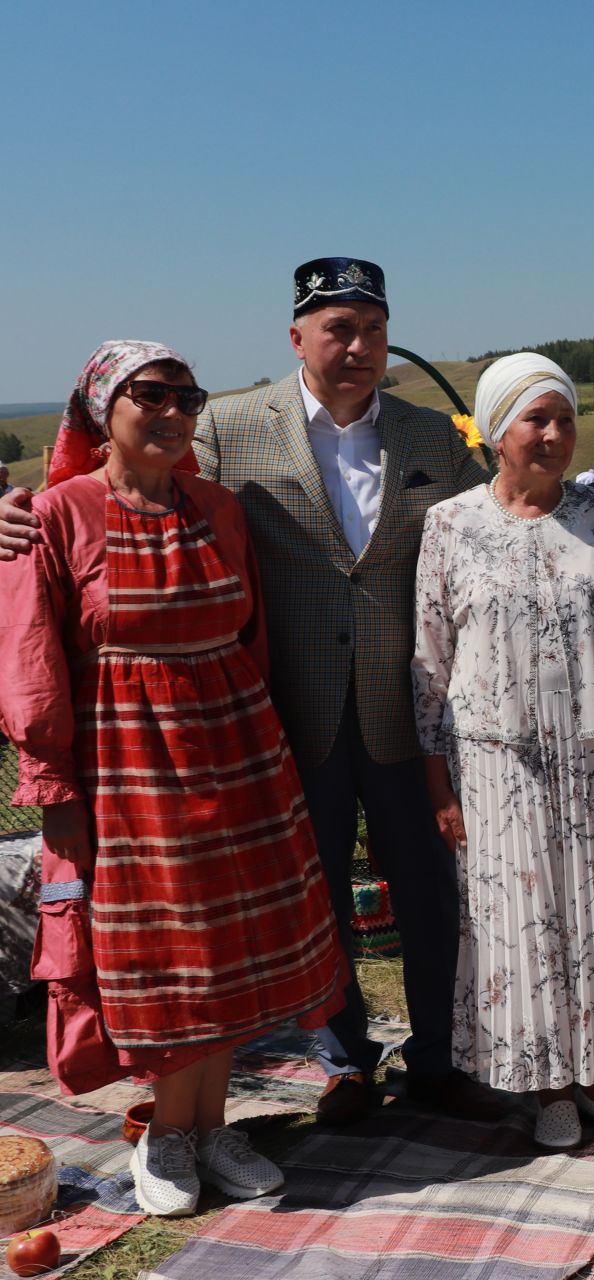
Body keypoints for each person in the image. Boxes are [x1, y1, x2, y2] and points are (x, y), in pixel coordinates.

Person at [0, 258, 594, 1124]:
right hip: (278, 713)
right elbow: (122, 491)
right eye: (338, 329)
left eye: (373, 331)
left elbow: (508, 506)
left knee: (428, 891)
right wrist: (17, 508)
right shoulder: (227, 425)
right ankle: (345, 1061)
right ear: (297, 336)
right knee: (316, 892)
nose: (357, 347)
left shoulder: (428, 437)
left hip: (405, 704)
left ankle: (439, 1057)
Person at [0, 342, 346, 1216]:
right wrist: (56, 791)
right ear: (99, 410)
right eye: (148, 396)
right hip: (125, 761)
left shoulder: (222, 509)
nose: (171, 412)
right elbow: (32, 662)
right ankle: (165, 1132)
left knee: (226, 943)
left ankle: (214, 1123)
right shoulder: (53, 515)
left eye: (186, 398)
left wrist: (271, 748)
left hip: (236, 747)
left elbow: (250, 635)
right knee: (160, 951)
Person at [412, 356, 594, 1149]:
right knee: (523, 922)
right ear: (498, 433)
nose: (554, 435)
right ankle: (550, 1087)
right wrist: (439, 786)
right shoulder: (451, 525)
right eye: (536, 420)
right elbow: (430, 661)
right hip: (497, 764)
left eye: (564, 419)